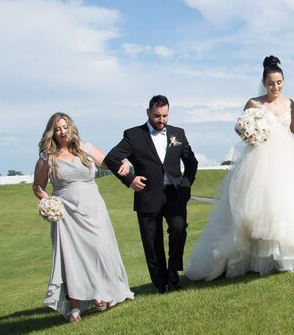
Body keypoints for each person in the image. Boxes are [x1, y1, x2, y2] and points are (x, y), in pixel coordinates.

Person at [187, 57, 294, 280]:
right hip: (259, 160)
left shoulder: (289, 103)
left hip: (287, 159)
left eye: (280, 83)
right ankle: (254, 257)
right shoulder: (253, 103)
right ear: (264, 82)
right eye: (271, 83)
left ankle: (290, 253)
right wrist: (252, 134)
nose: (276, 87)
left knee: (288, 204)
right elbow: (239, 126)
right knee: (260, 206)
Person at [32, 113, 134, 322]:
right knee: (72, 258)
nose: (62, 132)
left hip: (93, 208)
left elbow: (107, 163)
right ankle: (75, 307)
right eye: (58, 128)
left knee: (99, 249)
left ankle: (102, 293)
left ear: (71, 128)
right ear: (52, 132)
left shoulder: (85, 148)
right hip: (66, 213)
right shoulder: (46, 158)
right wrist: (47, 201)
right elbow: (38, 186)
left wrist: (123, 163)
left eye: (65, 127)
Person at [104, 95, 198, 294]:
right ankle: (160, 284)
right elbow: (112, 158)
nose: (161, 120)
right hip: (147, 195)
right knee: (151, 241)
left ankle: (173, 272)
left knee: (179, 228)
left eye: (165, 116)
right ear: (148, 113)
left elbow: (191, 162)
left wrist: (186, 184)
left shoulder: (178, 133)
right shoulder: (133, 135)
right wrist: (130, 179)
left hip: (174, 194)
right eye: (157, 116)